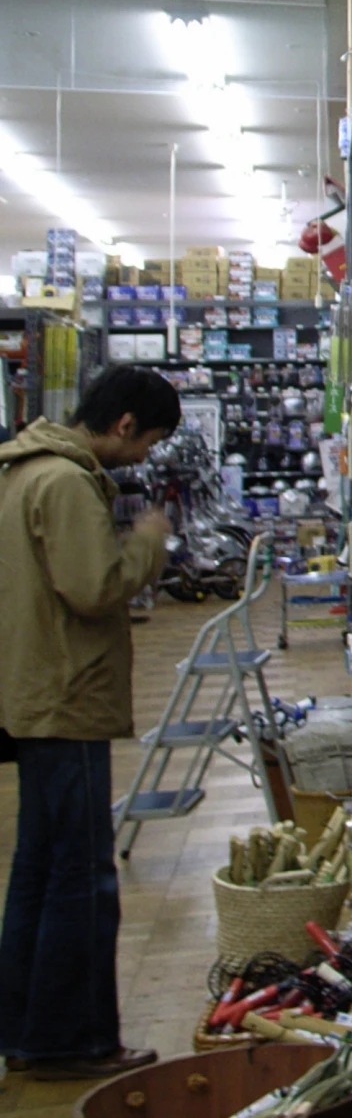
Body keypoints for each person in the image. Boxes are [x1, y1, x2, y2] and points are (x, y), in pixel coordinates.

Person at [0, 366, 180, 1080]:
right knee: (82, 876)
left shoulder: (23, 469)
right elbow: (93, 585)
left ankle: (30, 1028)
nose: (143, 457)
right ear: (126, 422)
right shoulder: (66, 482)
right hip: (67, 694)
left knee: (39, 872)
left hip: (36, 689)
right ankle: (75, 1038)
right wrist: (148, 540)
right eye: (150, 440)